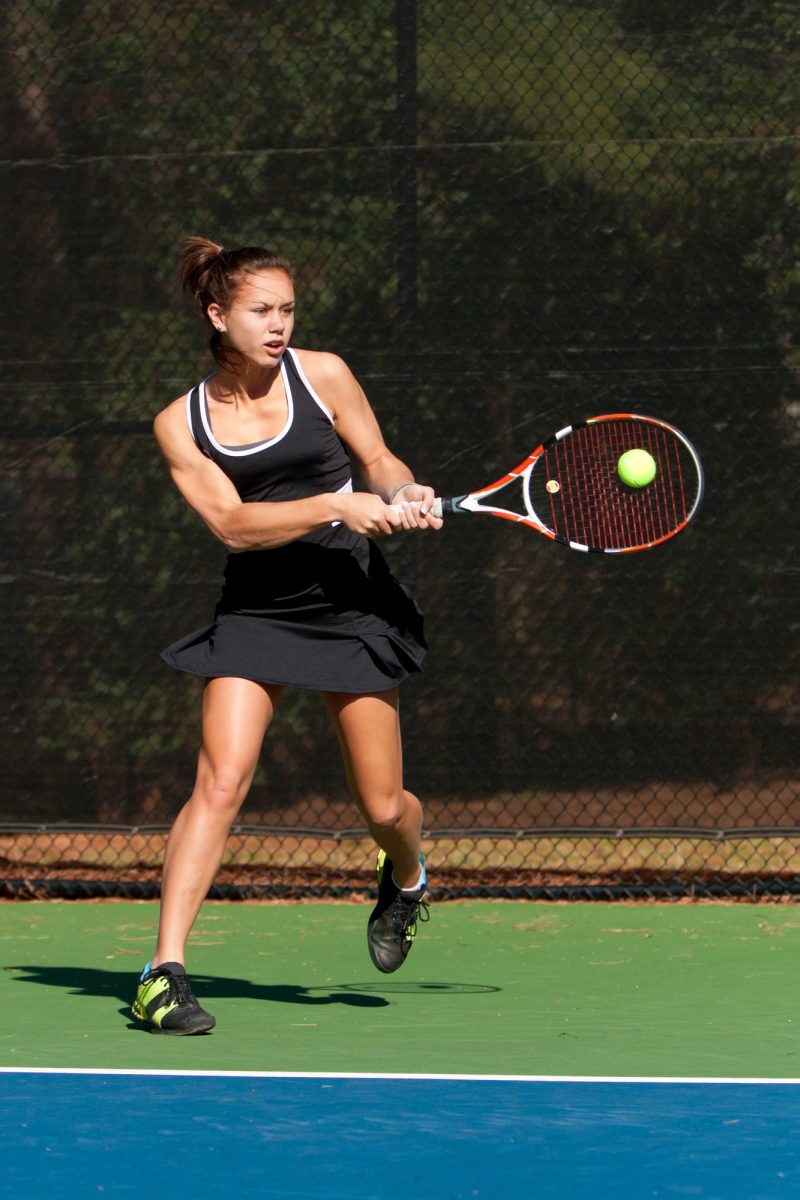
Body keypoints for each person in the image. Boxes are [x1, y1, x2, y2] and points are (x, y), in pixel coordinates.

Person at [132, 237, 441, 1034]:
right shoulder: (180, 423)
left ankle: (406, 875)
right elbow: (234, 525)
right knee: (221, 780)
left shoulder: (324, 373)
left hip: (349, 597)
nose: (278, 325)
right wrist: (336, 504)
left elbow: (376, 458)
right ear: (216, 314)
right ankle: (162, 973)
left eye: (287, 310)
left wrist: (403, 490)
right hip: (259, 607)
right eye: (261, 311)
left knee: (381, 804)